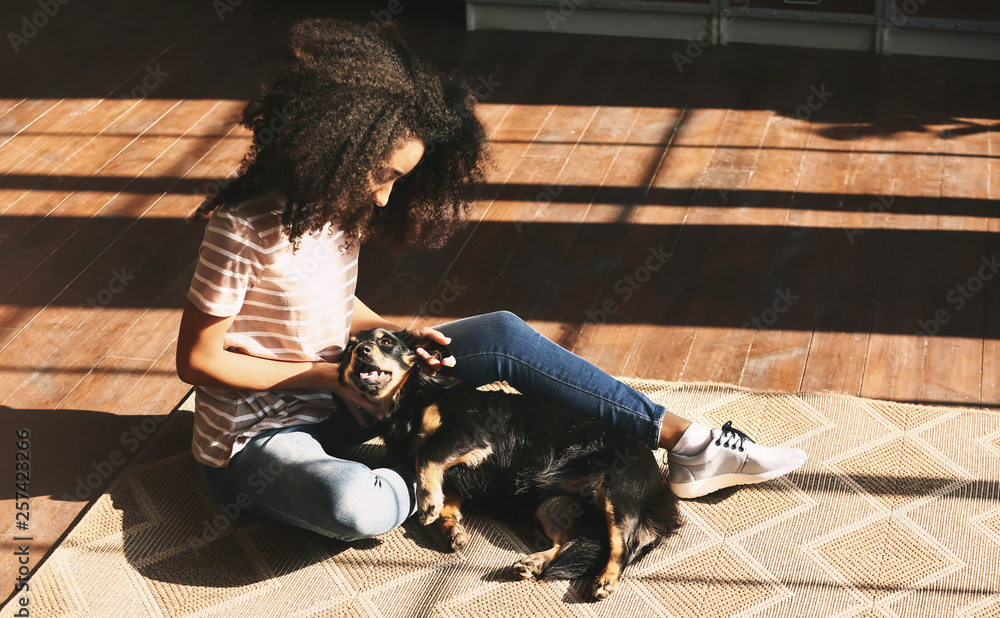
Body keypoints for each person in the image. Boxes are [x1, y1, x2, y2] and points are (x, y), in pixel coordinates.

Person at [175, 19, 806, 542]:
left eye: (400, 179)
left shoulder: (338, 212)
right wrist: (326, 377)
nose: (388, 198)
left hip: (353, 398)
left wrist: (391, 332)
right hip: (260, 439)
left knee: (497, 334)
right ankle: (443, 471)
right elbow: (198, 360)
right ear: (333, 148)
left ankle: (688, 441)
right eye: (383, 174)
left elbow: (323, 308)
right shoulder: (242, 227)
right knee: (354, 508)